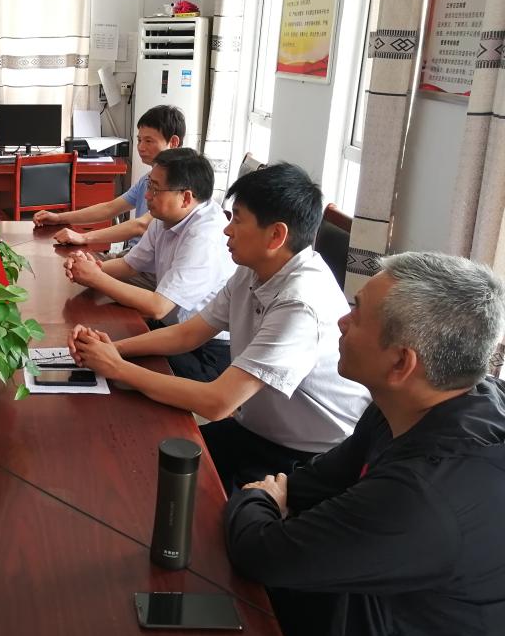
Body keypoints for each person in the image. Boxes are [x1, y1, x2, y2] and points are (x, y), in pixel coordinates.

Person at [226, 252, 505, 636]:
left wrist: (260, 496)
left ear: (401, 362)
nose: (341, 320)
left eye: (355, 313)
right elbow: (312, 483)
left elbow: (259, 553)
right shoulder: (409, 406)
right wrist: (275, 500)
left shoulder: (424, 495)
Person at [70, 163, 370, 491]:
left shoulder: (300, 303)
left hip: (308, 458)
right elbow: (189, 333)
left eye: (238, 220)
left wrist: (117, 367)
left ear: (276, 235)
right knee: (143, 463)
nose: (227, 230)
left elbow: (218, 402)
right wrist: (113, 349)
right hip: (256, 429)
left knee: (184, 500)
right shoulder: (253, 270)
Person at [64, 149, 235, 380]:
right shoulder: (166, 218)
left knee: (109, 368)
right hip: (172, 330)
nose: (147, 196)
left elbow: (158, 306)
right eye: (148, 186)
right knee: (96, 341)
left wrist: (96, 278)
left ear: (186, 197)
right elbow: (130, 265)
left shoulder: (205, 237)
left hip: (205, 350)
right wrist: (89, 268)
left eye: (155, 189)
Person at [34, 105, 184, 251]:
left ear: (173, 142)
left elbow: (141, 225)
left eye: (148, 141)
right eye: (139, 140)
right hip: (134, 256)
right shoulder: (146, 179)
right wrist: (59, 218)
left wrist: (84, 237)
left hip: (146, 264)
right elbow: (109, 208)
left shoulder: (179, 186)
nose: (141, 147)